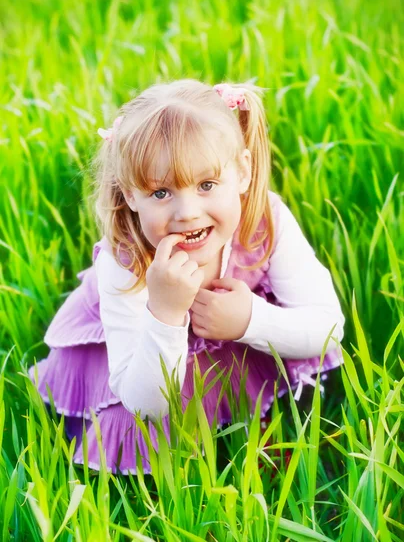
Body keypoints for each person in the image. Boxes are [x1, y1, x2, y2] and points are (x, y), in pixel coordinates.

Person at [29, 79, 345, 475]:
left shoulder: (265, 220)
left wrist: (249, 320)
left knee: (285, 365)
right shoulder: (125, 261)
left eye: (207, 184)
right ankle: (187, 468)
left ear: (243, 172)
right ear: (130, 194)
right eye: (161, 193)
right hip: (141, 372)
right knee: (160, 448)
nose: (188, 212)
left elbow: (328, 326)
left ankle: (249, 424)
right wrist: (165, 313)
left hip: (233, 338)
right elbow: (145, 403)